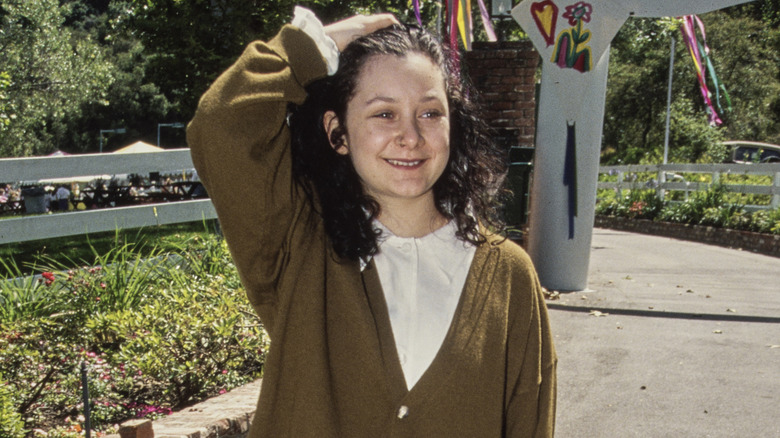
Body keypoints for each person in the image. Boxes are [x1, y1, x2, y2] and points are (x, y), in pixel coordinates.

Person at [187, 7, 556, 437]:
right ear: (337, 132)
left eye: (430, 113)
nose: (411, 136)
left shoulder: (508, 276)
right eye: (384, 113)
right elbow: (221, 124)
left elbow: (530, 425)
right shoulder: (299, 244)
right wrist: (315, 44)